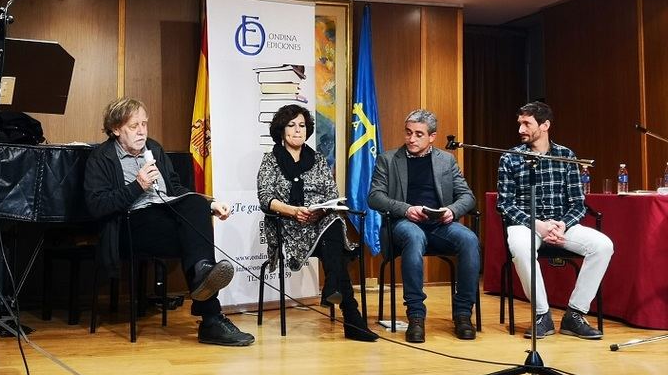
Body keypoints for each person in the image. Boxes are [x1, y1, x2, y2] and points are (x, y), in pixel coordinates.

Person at [84, 97, 254, 346]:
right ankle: (210, 316)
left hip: (165, 219)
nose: (142, 130)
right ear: (116, 129)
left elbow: (175, 188)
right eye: (134, 126)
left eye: (144, 124)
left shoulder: (155, 148)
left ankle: (204, 281)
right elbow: (96, 206)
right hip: (130, 226)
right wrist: (137, 186)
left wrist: (210, 205)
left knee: (196, 205)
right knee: (193, 238)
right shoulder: (102, 157)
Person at [256, 104, 378, 342]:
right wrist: (293, 211)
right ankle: (350, 315)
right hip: (287, 226)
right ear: (281, 131)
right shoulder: (270, 160)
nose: (297, 130)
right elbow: (265, 198)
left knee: (332, 222)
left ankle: (335, 291)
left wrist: (319, 212)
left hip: (319, 222)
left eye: (302, 125)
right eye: (291, 126)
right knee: (336, 250)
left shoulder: (318, 159)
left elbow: (331, 193)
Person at [497, 101, 614, 340]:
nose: (520, 129)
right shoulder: (510, 158)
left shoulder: (566, 156)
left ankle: (575, 314)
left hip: (561, 225)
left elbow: (577, 203)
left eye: (527, 123)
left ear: (545, 125)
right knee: (520, 245)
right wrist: (537, 224)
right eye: (520, 123)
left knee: (603, 245)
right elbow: (505, 204)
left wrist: (562, 225)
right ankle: (541, 314)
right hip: (525, 224)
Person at [368, 109, 479, 343]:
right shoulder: (388, 160)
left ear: (432, 137)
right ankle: (416, 316)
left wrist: (452, 210)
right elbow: (374, 197)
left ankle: (462, 314)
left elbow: (467, 197)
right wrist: (406, 209)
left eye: (419, 134)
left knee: (469, 239)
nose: (411, 139)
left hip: (439, 225)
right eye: (408, 133)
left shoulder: (446, 160)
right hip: (403, 223)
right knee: (414, 236)